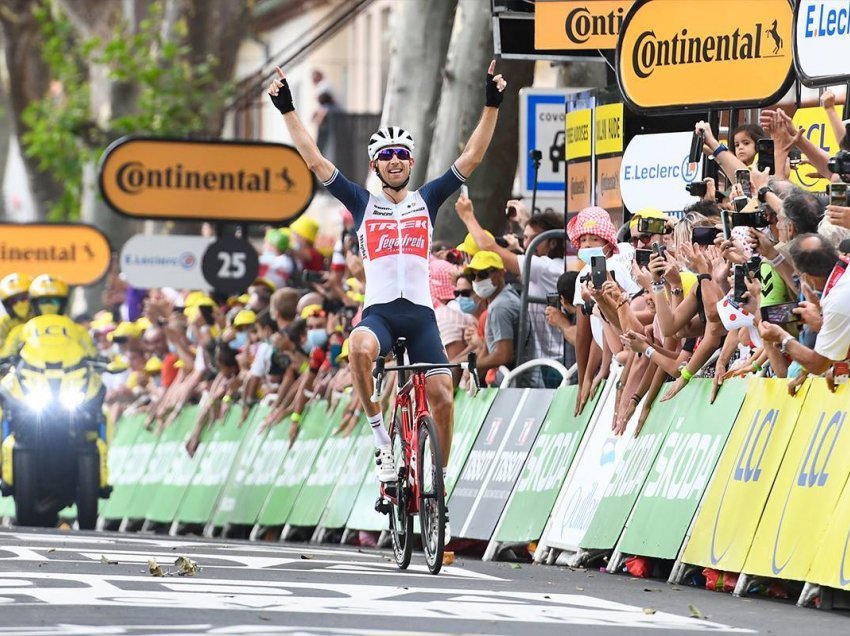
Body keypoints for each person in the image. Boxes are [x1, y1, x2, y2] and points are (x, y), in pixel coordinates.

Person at [268, 60, 507, 505]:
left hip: (420, 317)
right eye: (386, 156)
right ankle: (381, 439)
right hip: (378, 313)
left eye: (402, 155)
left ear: (411, 162)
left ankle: (438, 480)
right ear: (376, 165)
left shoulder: (428, 200)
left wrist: (491, 104)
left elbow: (471, 157)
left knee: (443, 395)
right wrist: (287, 109)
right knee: (358, 347)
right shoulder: (360, 202)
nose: (394, 161)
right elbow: (315, 159)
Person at [463, 251, 541, 388]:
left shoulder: (501, 306)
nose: (477, 280)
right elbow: (489, 349)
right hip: (515, 385)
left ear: (499, 273)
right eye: (472, 276)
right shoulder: (501, 301)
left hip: (518, 388)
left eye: (482, 274)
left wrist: (472, 365)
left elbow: (504, 355)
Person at [0, 273, 32, 347]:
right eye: (13, 301)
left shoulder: (42, 316)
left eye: (24, 298)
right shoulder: (4, 323)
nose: (19, 304)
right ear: (7, 306)